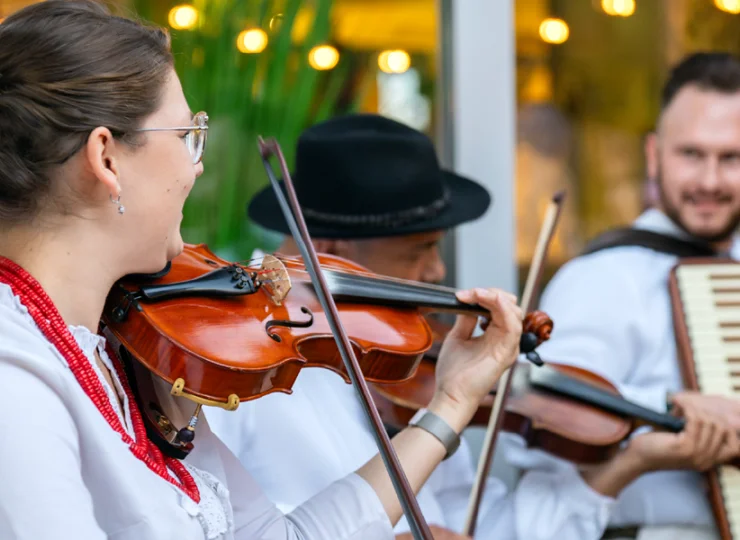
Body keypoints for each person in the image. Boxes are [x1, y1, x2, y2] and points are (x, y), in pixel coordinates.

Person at [0, 2, 530, 539]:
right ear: (107, 159)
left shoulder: (117, 359)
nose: (196, 165)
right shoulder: (15, 381)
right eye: (188, 135)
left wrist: (450, 403)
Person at [207, 113, 740, 540]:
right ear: (331, 251)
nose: (438, 273)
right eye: (420, 252)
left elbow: (487, 528)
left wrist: (626, 465)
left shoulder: (410, 370)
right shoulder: (235, 360)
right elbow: (205, 522)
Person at [507, 52, 740, 540]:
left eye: (731, 158)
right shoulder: (604, 277)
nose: (710, 182)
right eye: (692, 155)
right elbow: (533, 412)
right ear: (654, 155)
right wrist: (670, 409)